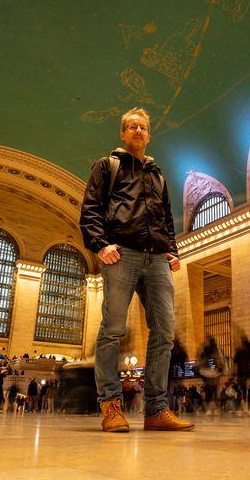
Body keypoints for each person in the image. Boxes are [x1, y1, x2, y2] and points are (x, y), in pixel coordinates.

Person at [80, 107, 193, 433]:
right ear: (123, 134)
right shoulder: (108, 166)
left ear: (149, 133)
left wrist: (172, 250)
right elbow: (90, 208)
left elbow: (167, 218)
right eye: (131, 127)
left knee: (164, 333)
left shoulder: (158, 175)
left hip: (157, 258)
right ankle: (111, 407)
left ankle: (157, 410)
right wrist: (101, 244)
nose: (138, 131)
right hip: (121, 254)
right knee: (112, 329)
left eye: (142, 127)